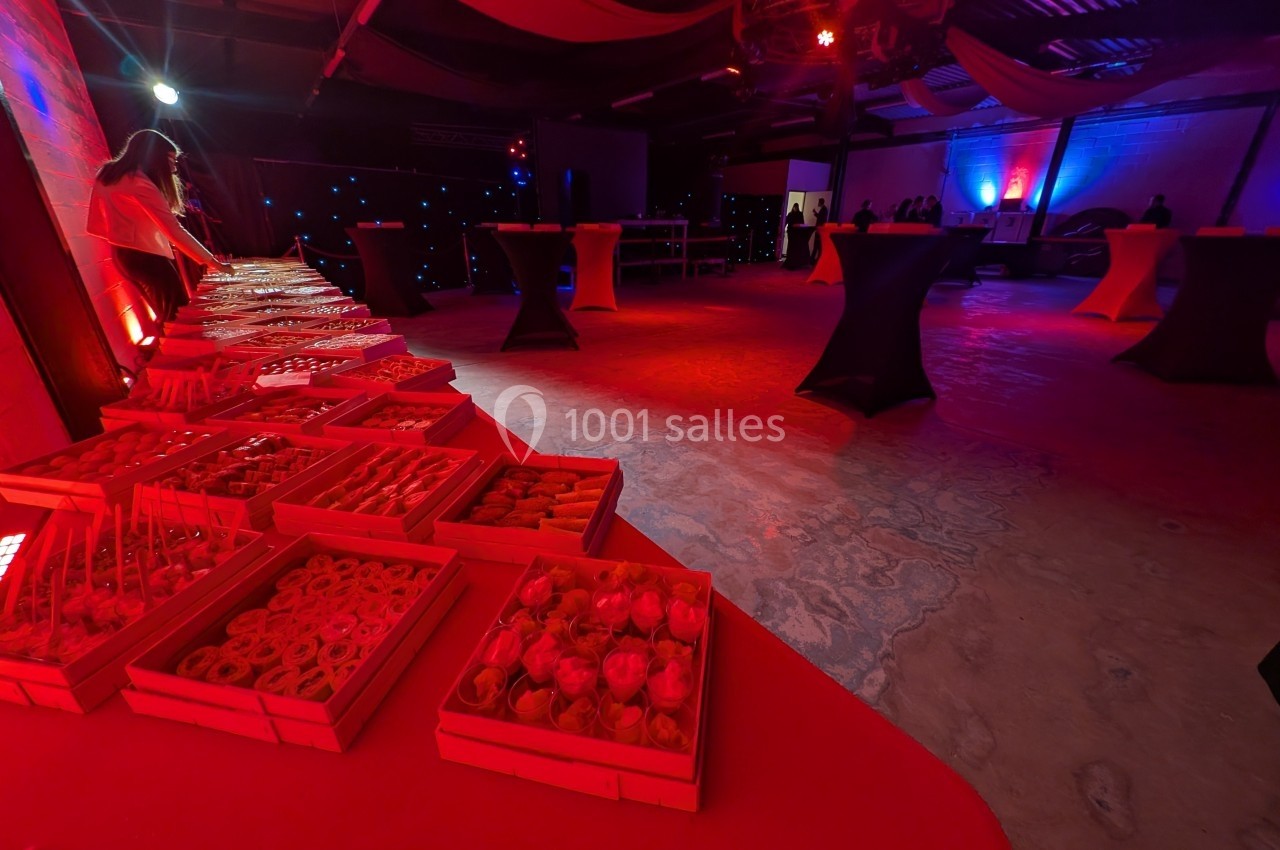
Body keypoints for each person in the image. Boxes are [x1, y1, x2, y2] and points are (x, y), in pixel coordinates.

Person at [88, 129, 231, 326]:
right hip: (146, 258)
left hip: (121, 255)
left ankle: (175, 352)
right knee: (178, 319)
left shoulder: (107, 173)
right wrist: (214, 262)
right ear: (155, 157)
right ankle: (189, 354)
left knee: (166, 317)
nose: (173, 169)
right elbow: (174, 230)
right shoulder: (139, 182)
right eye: (171, 160)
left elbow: (98, 220)